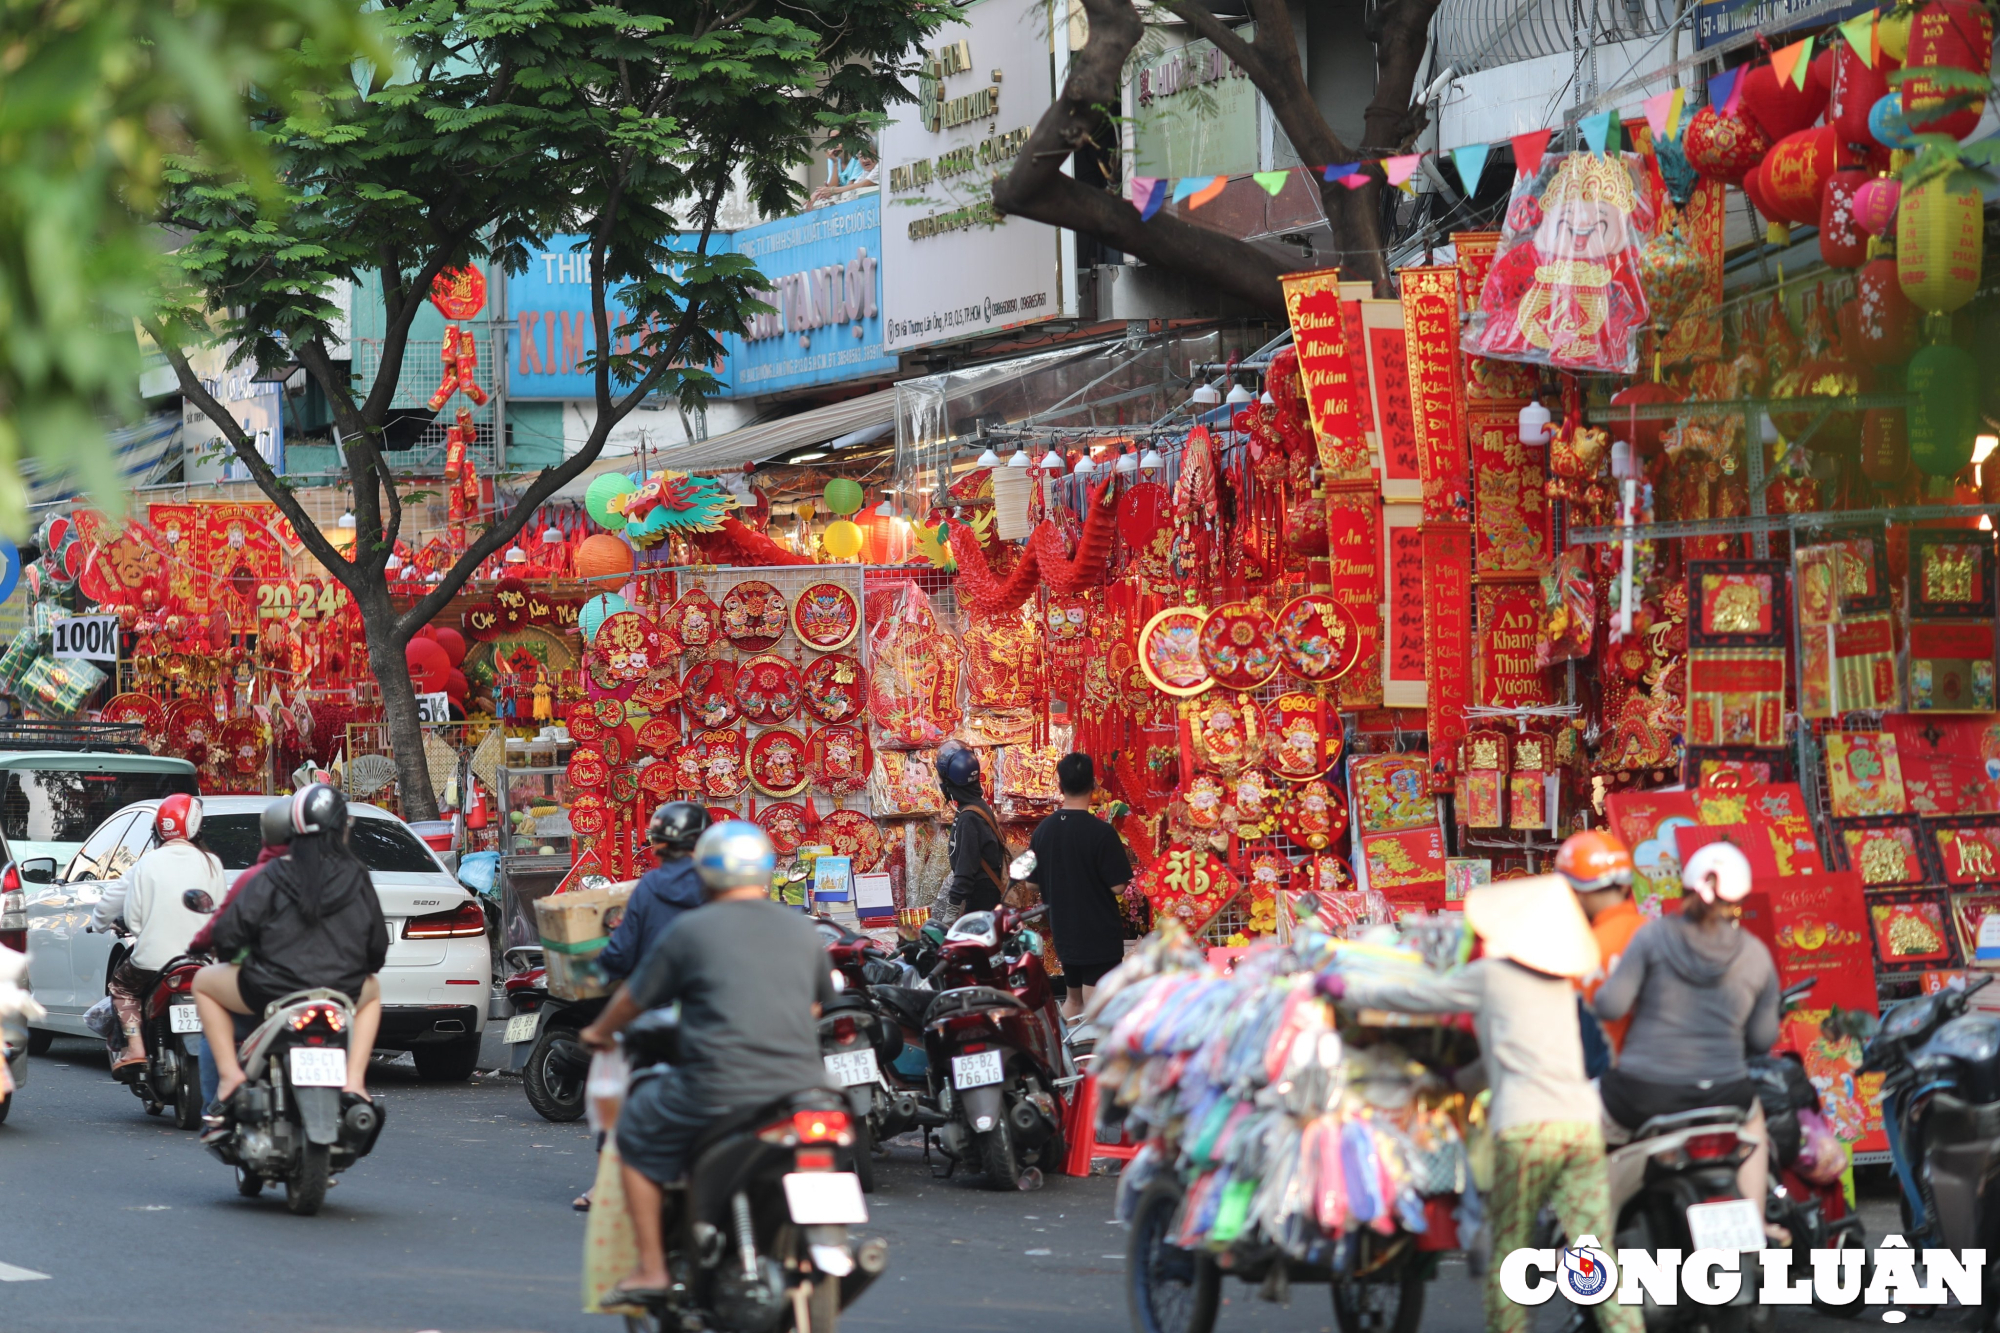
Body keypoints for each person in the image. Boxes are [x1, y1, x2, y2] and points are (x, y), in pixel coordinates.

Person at [1319, 877, 1639, 1333]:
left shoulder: (1493, 976)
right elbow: (1505, 1061)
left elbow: (1418, 998)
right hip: (1581, 1126)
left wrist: (1346, 990)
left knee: (1510, 1254)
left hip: (1529, 1130)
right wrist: (1456, 1081)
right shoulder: (1557, 985)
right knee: (1596, 1251)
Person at [579, 821, 835, 1306]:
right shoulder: (800, 928)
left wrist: (597, 1031)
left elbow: (633, 998)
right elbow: (817, 1008)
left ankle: (654, 1269)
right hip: (806, 1088)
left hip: (717, 1084)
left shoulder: (691, 930)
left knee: (633, 1129)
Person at [1593, 840, 1781, 1237]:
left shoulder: (1651, 937)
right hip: (1725, 1095)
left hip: (1644, 1094)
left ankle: (1584, 1238)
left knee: (1575, 1126)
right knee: (1755, 1120)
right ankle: (1755, 1222)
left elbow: (1611, 1006)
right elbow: (1762, 1040)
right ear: (1742, 897)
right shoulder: (1756, 955)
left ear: (1683, 887)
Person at [191, 784, 388, 1107]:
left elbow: (228, 935)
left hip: (270, 990)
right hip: (341, 991)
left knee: (202, 982)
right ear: (342, 828)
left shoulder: (269, 874)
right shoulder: (357, 875)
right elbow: (376, 950)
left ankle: (229, 1078)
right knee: (374, 989)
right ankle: (355, 1082)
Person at [101, 795, 226, 1071]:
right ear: (195, 826)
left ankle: (134, 1048)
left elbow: (133, 920)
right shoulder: (212, 864)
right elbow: (220, 914)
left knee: (122, 987)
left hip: (152, 963)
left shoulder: (147, 863)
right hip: (203, 961)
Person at [1024, 753, 1132, 1021]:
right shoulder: (1102, 833)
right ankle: (1091, 1059)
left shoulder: (1042, 831)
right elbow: (1119, 887)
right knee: (1099, 1011)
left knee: (1073, 1001)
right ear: (1093, 785)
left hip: (1064, 932)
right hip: (1099, 935)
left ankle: (1063, 1057)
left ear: (1060, 786)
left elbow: (1030, 883)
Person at [1556, 829, 1646, 1069]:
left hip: (1606, 1081)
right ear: (1626, 887)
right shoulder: (1658, 934)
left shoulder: (1581, 952)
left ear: (1577, 893)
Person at [597, 802, 709, 983]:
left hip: (659, 996)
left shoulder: (650, 885)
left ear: (656, 846)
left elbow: (620, 955)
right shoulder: (723, 883)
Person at [926, 739, 1004, 927]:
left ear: (952, 783)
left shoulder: (969, 817)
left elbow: (965, 869)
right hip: (987, 897)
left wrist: (951, 911)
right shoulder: (977, 805)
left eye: (942, 779)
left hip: (982, 901)